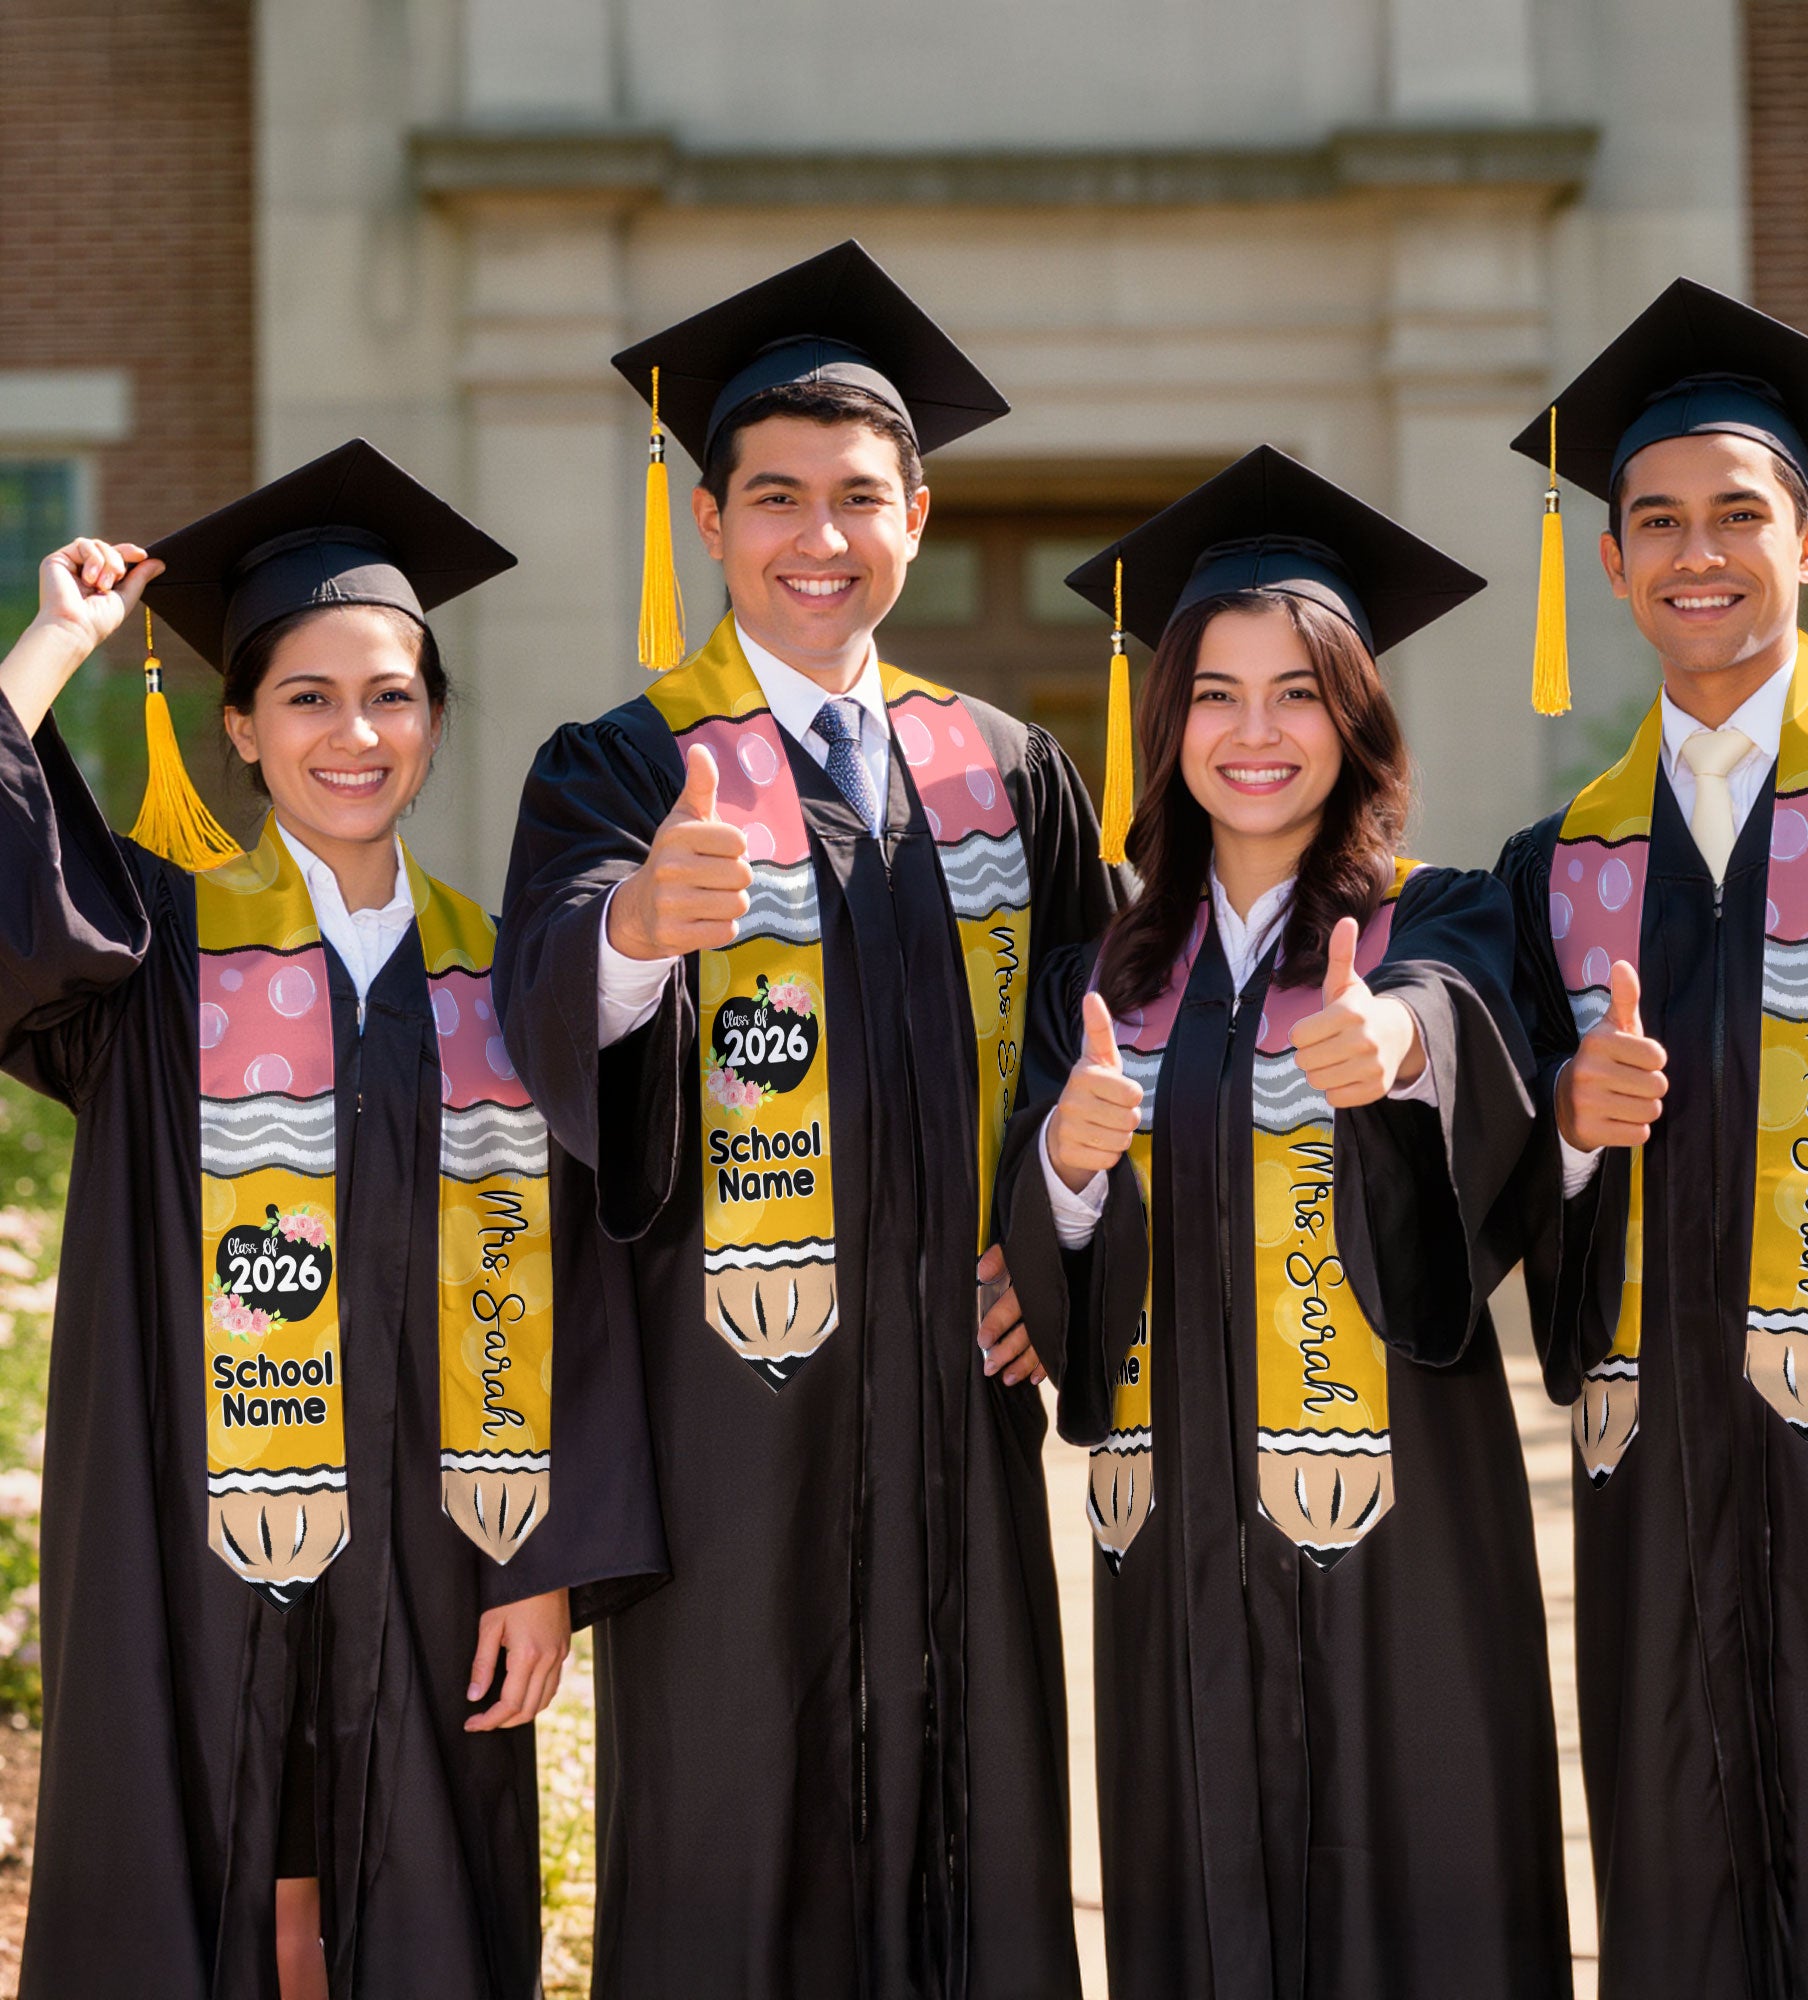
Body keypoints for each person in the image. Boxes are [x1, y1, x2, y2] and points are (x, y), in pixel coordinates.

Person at [495, 241, 1121, 1999]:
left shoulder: (1006, 765)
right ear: (710, 522)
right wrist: (632, 931)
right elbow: (542, 1000)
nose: (818, 537)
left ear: (917, 515)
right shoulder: (621, 765)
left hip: (953, 1402)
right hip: (730, 1417)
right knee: (734, 1837)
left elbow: (1114, 1041)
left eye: (860, 498)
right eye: (775, 498)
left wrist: (1061, 1247)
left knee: (975, 1821)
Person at [0, 440, 664, 2000]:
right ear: (238, 726)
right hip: (195, 1529)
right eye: (305, 696)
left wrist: (545, 1561)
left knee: (419, 1898)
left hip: (444, 1551)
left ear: (434, 719)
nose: (352, 733)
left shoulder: (508, 978)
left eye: (391, 694)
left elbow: (588, 1284)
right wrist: (53, 646)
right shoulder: (153, 954)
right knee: (208, 1871)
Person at [998, 446, 1571, 1999]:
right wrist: (1061, 1157)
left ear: (1357, 717)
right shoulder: (1100, 979)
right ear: (1166, 721)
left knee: (1423, 1890)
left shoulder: (1439, 918)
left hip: (1404, 1536)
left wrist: (1399, 1050)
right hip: (1176, 1531)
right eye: (1216, 694)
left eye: (1300, 692)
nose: (1257, 734)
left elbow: (1468, 1036)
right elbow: (1044, 1252)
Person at [1498, 279, 1808, 1999]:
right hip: (1662, 1484)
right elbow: (1495, 1180)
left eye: (1737, 515)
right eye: (1655, 522)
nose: (1694, 552)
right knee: (1682, 1890)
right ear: (1617, 563)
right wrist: (1565, 1129)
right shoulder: (1562, 861)